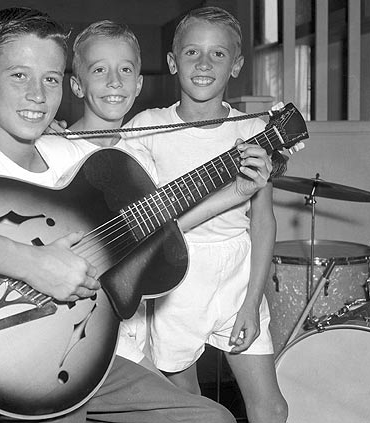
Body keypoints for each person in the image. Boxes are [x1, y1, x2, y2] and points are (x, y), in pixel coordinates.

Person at [0, 7, 245, 423]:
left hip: (83, 352)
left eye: (50, 78)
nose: (38, 95)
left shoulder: (67, 152)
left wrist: (235, 191)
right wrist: (33, 264)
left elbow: (141, 224)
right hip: (13, 363)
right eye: (18, 75)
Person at [36, 19, 276, 377]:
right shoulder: (76, 145)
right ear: (77, 84)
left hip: (139, 303)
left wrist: (237, 193)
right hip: (86, 314)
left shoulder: (139, 154)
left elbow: (159, 224)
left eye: (125, 70)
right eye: (99, 70)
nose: (114, 81)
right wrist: (45, 128)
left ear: (139, 83)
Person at [122, 6, 289, 423]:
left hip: (238, 272)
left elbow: (263, 221)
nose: (203, 63)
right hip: (175, 277)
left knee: (272, 408)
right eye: (192, 52)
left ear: (236, 66)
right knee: (191, 409)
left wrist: (252, 303)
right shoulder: (146, 127)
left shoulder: (252, 130)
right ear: (173, 62)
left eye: (218, 54)